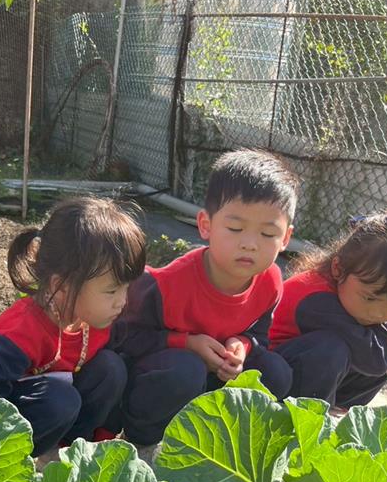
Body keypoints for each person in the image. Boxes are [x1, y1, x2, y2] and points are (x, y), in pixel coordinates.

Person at [111, 148, 298, 447]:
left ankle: (223, 439)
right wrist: (186, 343)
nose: (250, 244)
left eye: (267, 234)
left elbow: (259, 335)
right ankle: (144, 440)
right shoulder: (166, 285)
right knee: (185, 370)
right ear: (205, 225)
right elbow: (123, 338)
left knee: (276, 373)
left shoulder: (272, 280)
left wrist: (242, 346)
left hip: (215, 376)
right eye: (235, 228)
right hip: (161, 376)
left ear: (286, 238)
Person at [0, 197, 146, 456]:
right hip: (15, 423)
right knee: (61, 400)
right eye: (112, 291)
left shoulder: (95, 319)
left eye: (126, 288)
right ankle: (27, 457)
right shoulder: (21, 332)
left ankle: (71, 451)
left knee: (111, 368)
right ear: (62, 286)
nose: (122, 302)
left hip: (59, 409)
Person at [270, 209, 387, 408]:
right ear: (338, 269)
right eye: (370, 298)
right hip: (272, 375)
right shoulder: (315, 298)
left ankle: (334, 406)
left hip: (308, 375)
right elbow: (374, 360)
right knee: (334, 349)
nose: (379, 312)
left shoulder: (360, 297)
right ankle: (306, 412)